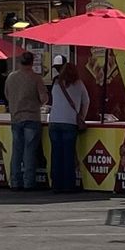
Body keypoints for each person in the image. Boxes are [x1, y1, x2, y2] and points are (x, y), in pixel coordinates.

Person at [4, 50, 48, 191]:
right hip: (31, 118)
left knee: (16, 151)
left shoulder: (11, 77)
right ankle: (28, 182)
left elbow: (7, 95)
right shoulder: (36, 78)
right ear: (32, 62)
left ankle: (15, 181)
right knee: (29, 151)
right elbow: (43, 98)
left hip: (16, 118)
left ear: (19, 62)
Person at [48, 61, 89, 193]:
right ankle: (68, 185)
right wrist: (82, 116)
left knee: (56, 154)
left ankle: (56, 184)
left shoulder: (56, 83)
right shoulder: (79, 84)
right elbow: (86, 101)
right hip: (70, 122)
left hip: (54, 122)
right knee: (68, 155)